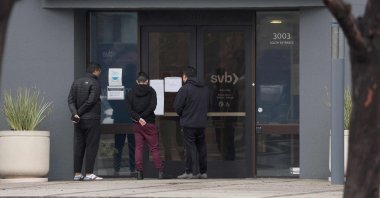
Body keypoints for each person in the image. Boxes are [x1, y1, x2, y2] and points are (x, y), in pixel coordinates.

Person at [68, 62, 103, 181]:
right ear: (96, 71)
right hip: (92, 119)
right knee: (91, 146)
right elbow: (91, 101)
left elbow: (70, 100)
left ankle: (77, 174)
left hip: (79, 121)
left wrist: (75, 113)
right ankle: (89, 173)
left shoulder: (76, 82)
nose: (100, 73)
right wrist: (79, 113)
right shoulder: (95, 83)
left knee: (79, 146)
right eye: (100, 71)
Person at [126, 72, 164, 180]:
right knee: (154, 148)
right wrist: (144, 118)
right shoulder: (151, 91)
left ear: (137, 81)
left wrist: (139, 118)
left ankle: (139, 172)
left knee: (138, 148)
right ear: (147, 81)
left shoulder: (130, 93)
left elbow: (129, 110)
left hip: (137, 124)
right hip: (149, 123)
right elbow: (153, 106)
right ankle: (160, 171)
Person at [174, 66, 209, 179]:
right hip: (201, 123)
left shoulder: (185, 89)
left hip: (188, 123)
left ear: (185, 76)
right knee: (202, 147)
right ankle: (203, 172)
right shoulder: (205, 88)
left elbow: (177, 106)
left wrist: (183, 115)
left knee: (190, 147)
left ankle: (191, 172)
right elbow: (210, 105)